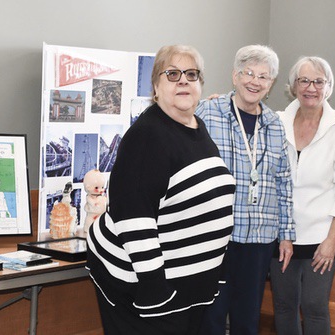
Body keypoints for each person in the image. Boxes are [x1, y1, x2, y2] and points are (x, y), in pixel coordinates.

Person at [86, 44, 236, 335]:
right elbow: (133, 220)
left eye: (191, 74)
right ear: (156, 86)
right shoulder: (147, 135)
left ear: (200, 84)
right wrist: (155, 292)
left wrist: (211, 274)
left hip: (187, 286)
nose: (183, 80)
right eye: (172, 74)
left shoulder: (196, 127)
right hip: (139, 284)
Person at [195, 45, 295, 335]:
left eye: (263, 76)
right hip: (216, 234)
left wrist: (287, 235)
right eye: (248, 73)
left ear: (271, 84)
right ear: (235, 76)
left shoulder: (275, 125)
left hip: (259, 238)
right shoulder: (208, 112)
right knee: (211, 317)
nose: (255, 81)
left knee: (248, 318)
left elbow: (284, 181)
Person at [273, 56, 335, 335]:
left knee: (314, 306)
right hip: (282, 233)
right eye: (304, 80)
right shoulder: (276, 123)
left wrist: (331, 242)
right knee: (284, 305)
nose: (311, 87)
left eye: (318, 81)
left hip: (324, 235)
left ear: (328, 87)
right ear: (293, 86)